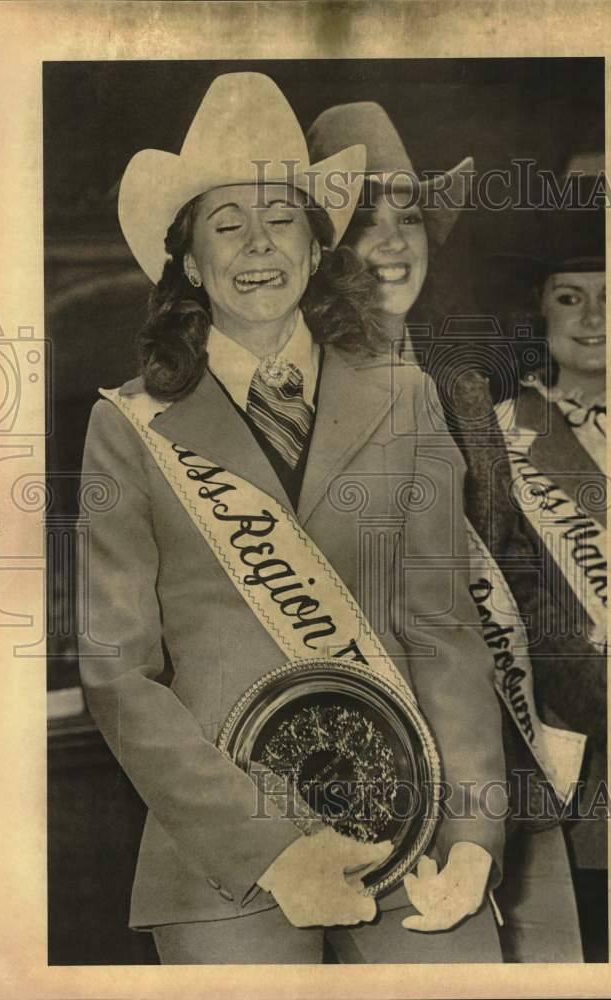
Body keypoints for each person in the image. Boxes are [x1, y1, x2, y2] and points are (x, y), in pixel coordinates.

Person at [78, 72, 508, 965]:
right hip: (223, 862)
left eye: (283, 220)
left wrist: (472, 838)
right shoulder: (130, 426)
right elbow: (121, 678)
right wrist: (273, 848)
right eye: (226, 225)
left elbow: (444, 633)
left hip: (416, 838)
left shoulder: (407, 398)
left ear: (317, 249)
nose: (258, 246)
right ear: (189, 263)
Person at [308, 102, 584, 962]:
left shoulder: (460, 388)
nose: (395, 240)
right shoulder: (298, 396)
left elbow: (515, 577)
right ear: (319, 249)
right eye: (365, 220)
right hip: (375, 772)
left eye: (410, 215)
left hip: (504, 762)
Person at [488, 155, 608, 961]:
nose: (593, 318)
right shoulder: (500, 433)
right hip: (576, 754)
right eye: (571, 297)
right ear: (540, 308)